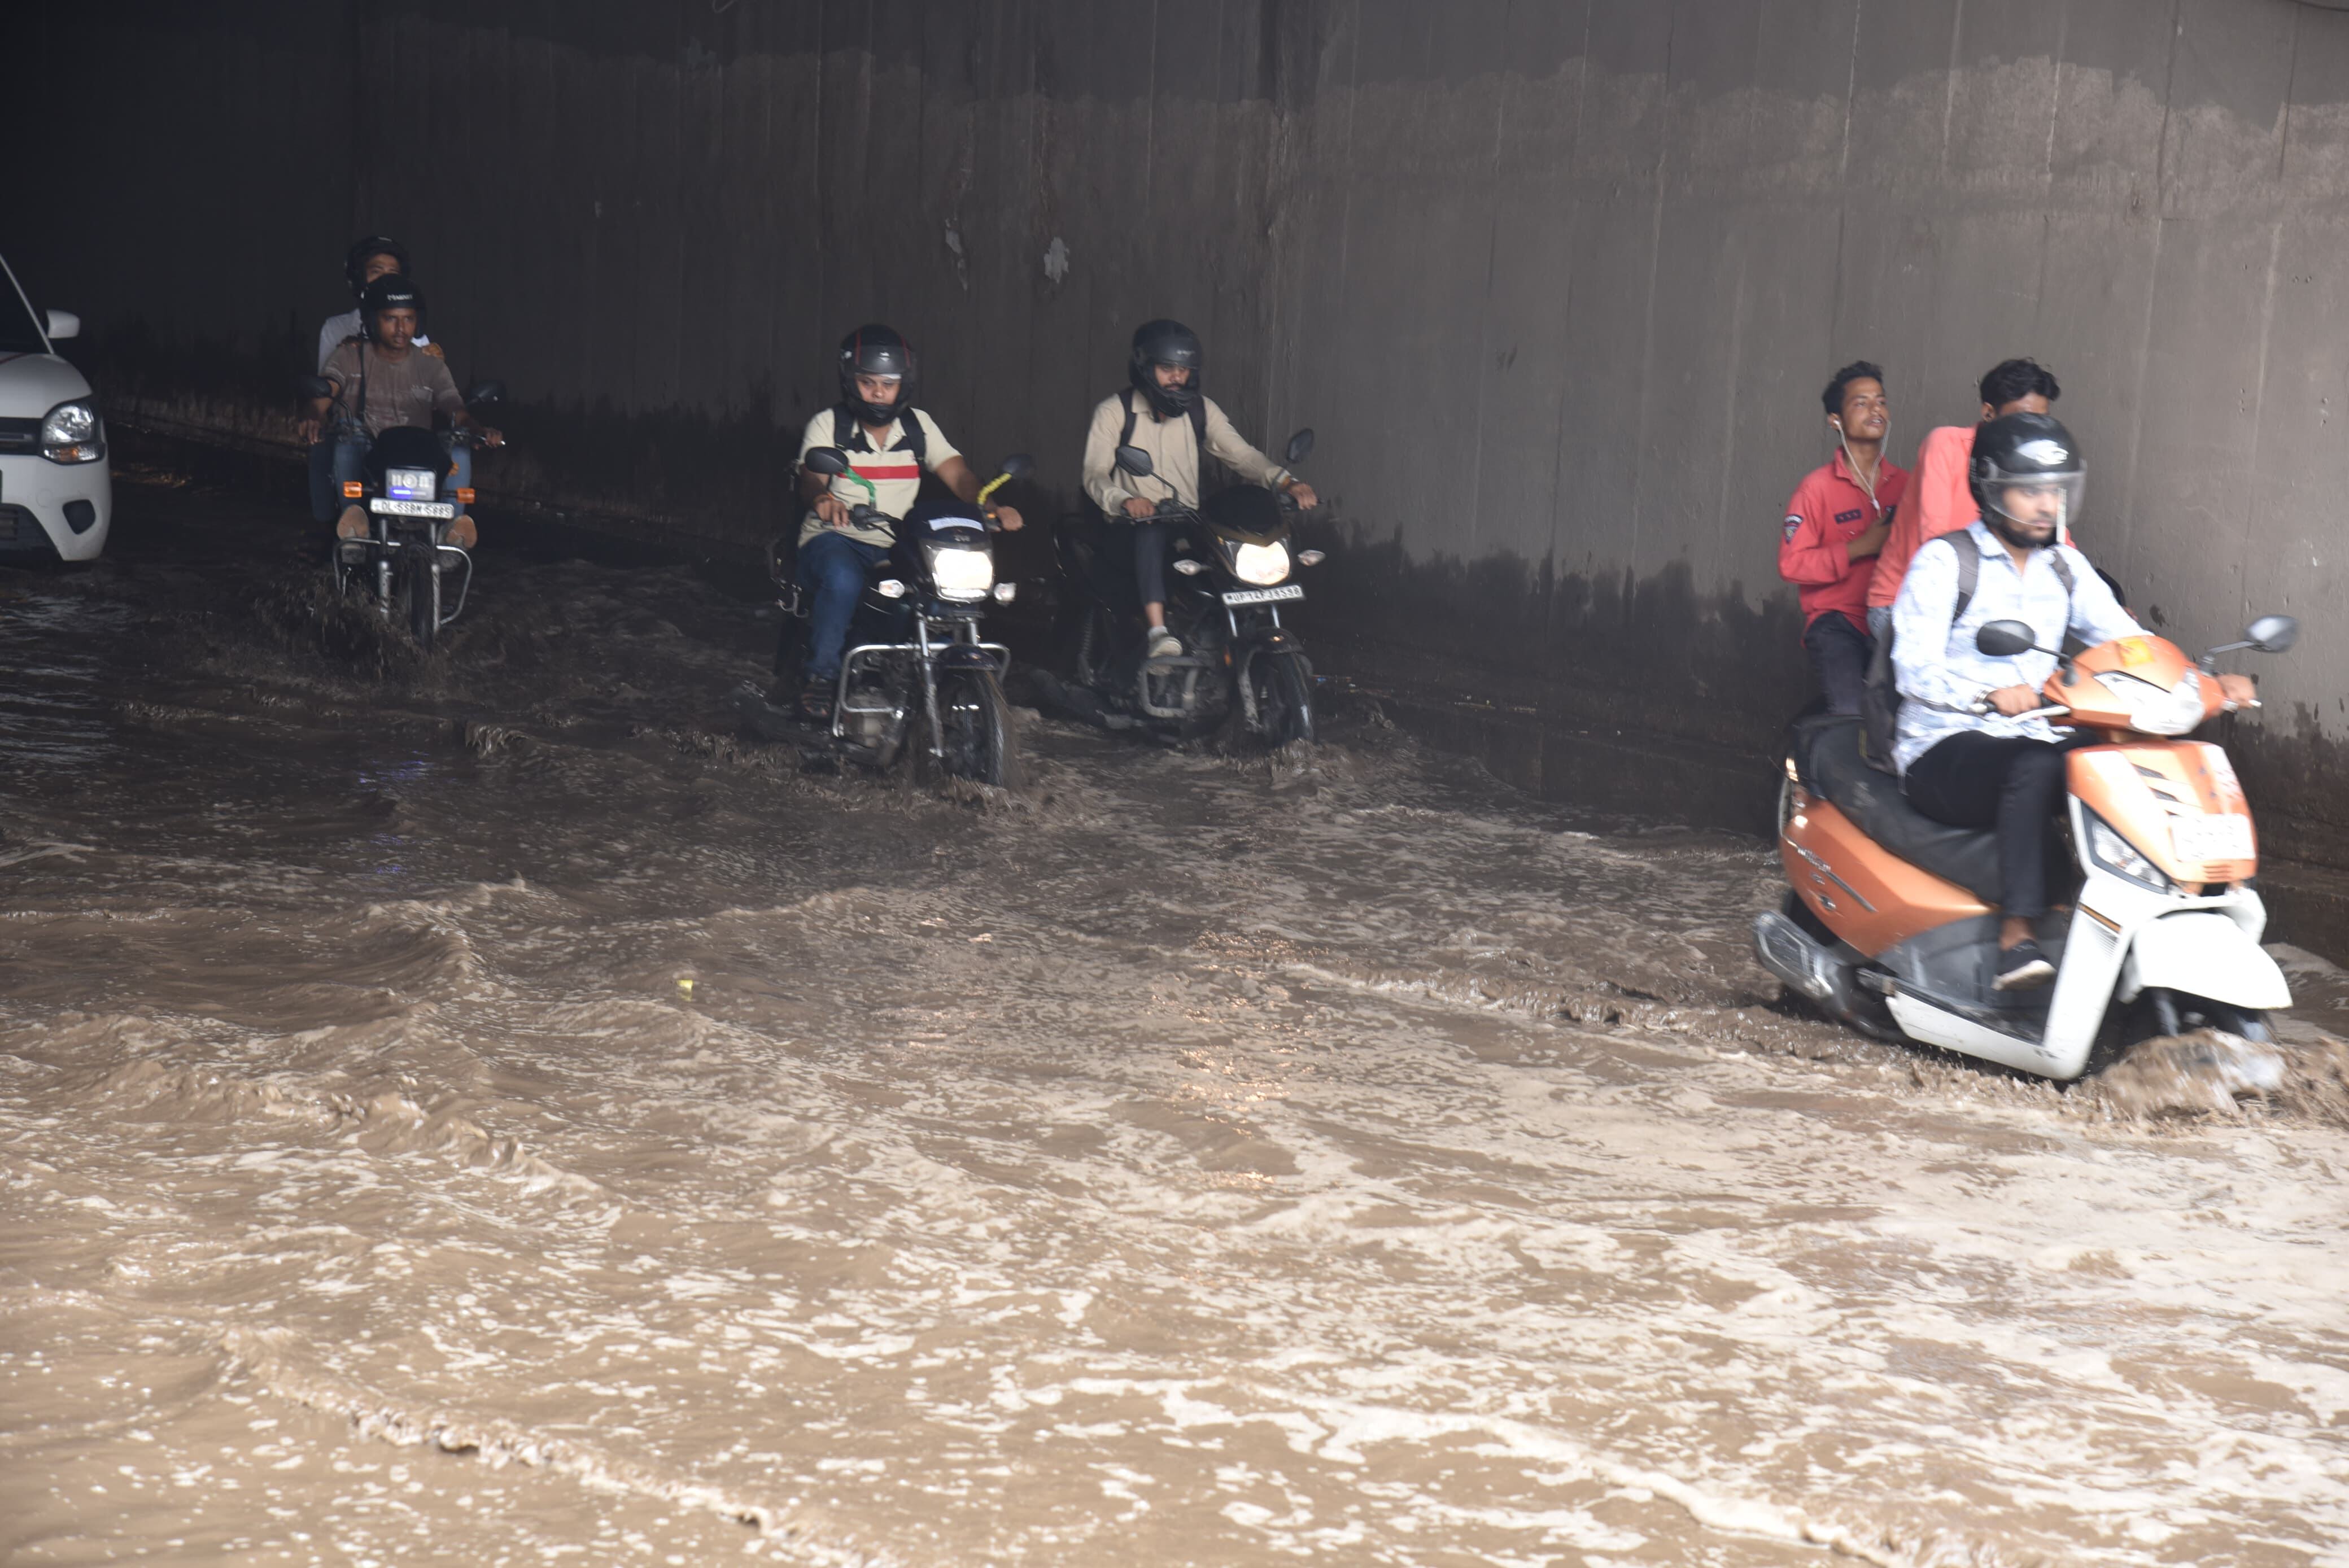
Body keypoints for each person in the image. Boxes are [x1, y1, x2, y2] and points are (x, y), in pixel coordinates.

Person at [1890, 413, 2254, 990]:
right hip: (1942, 748)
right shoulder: (1944, 561)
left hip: (2033, 734)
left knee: (2134, 750)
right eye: (2029, 490)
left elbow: (2128, 643)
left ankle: (2161, 907)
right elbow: (1912, 670)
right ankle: (2017, 934)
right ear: (1989, 487)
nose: (2044, 505)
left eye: (2054, 491)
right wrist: (1985, 693)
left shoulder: (2063, 565)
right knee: (2033, 766)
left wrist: (2198, 681)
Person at [792, 324, 1022, 720]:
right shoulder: (828, 424)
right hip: (836, 537)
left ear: (904, 385)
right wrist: (823, 498)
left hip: (897, 541)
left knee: (940, 592)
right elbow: (810, 476)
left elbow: (959, 475)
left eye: (888, 383)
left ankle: (941, 679)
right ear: (850, 382)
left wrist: (990, 506)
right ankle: (822, 679)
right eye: (867, 383)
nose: (879, 392)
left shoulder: (918, 427)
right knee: (843, 579)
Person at [1080, 320, 1318, 660]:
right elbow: (1095, 474)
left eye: (1184, 370)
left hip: (1186, 519)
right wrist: (1126, 500)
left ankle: (1227, 637)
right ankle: (1158, 633)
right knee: (1150, 535)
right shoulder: (1114, 412)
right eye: (1167, 369)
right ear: (1145, 368)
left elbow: (1241, 454)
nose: (1177, 377)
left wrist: (1285, 482)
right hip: (1129, 526)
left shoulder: (1200, 409)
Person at [299, 274, 501, 551]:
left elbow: (455, 408)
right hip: (369, 450)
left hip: (415, 455)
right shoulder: (349, 356)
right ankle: (354, 526)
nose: (400, 328)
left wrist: (478, 429)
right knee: (348, 436)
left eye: (408, 319)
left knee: (459, 445)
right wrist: (315, 415)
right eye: (390, 319)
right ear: (373, 320)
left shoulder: (431, 366)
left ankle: (451, 533)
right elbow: (326, 393)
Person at [1866, 357, 2059, 640]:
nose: (2033, 432)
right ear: (1989, 413)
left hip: (1982, 610)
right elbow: (1936, 542)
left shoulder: (2035, 465)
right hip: (1904, 604)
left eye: (2041, 421)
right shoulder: (1945, 445)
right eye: (2022, 419)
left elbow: (2058, 544)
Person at [1777, 361, 1909, 714]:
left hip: (1895, 622)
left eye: (1881, 401)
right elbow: (1792, 564)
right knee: (1850, 714)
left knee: (1909, 715)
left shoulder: (1909, 486)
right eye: (1861, 403)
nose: (1875, 409)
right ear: (1835, 420)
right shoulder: (1815, 488)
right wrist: (1862, 547)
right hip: (1838, 623)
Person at [309, 237, 437, 522]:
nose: (383, 280)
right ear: (358, 280)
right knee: (325, 446)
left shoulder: (417, 339)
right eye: (375, 271)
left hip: (403, 431)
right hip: (355, 426)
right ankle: (335, 526)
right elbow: (328, 386)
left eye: (391, 274)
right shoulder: (340, 333)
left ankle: (447, 532)